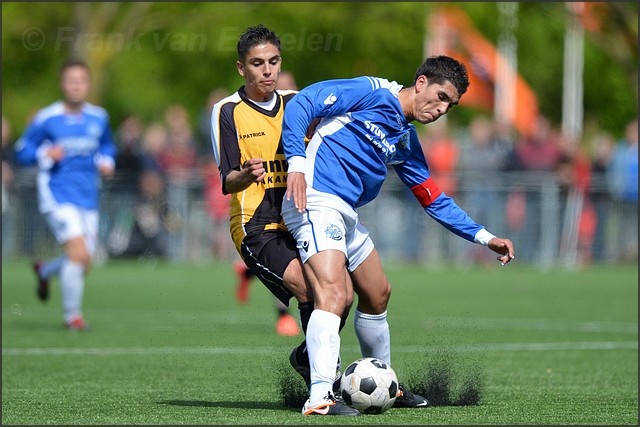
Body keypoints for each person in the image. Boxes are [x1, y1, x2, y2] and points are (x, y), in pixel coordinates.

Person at [281, 55, 515, 415]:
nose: (441, 109)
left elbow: (433, 199)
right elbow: (304, 102)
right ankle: (321, 396)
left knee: (378, 293)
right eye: (439, 97)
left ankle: (385, 383)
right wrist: (296, 160)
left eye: (449, 106)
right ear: (420, 82)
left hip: (345, 214)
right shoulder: (371, 92)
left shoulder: (404, 138)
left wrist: (485, 237)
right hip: (314, 199)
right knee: (334, 294)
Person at [14, 59, 117, 330]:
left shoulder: (99, 117)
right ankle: (73, 317)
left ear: (88, 84)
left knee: (84, 261)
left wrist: (107, 161)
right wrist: (44, 153)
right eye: (71, 81)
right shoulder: (47, 117)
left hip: (88, 197)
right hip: (57, 195)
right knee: (78, 254)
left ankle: (45, 271)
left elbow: (107, 147)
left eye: (81, 81)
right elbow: (21, 150)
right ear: (63, 84)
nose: (76, 86)